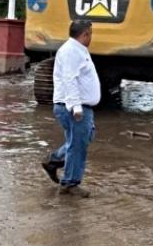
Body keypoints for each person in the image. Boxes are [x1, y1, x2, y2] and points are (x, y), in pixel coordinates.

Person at [41, 20, 100, 197]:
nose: (91, 37)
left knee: (81, 139)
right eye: (90, 34)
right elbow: (69, 79)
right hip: (74, 107)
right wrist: (76, 107)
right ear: (85, 34)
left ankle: (54, 160)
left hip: (79, 105)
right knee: (77, 146)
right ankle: (69, 183)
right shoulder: (71, 52)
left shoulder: (77, 50)